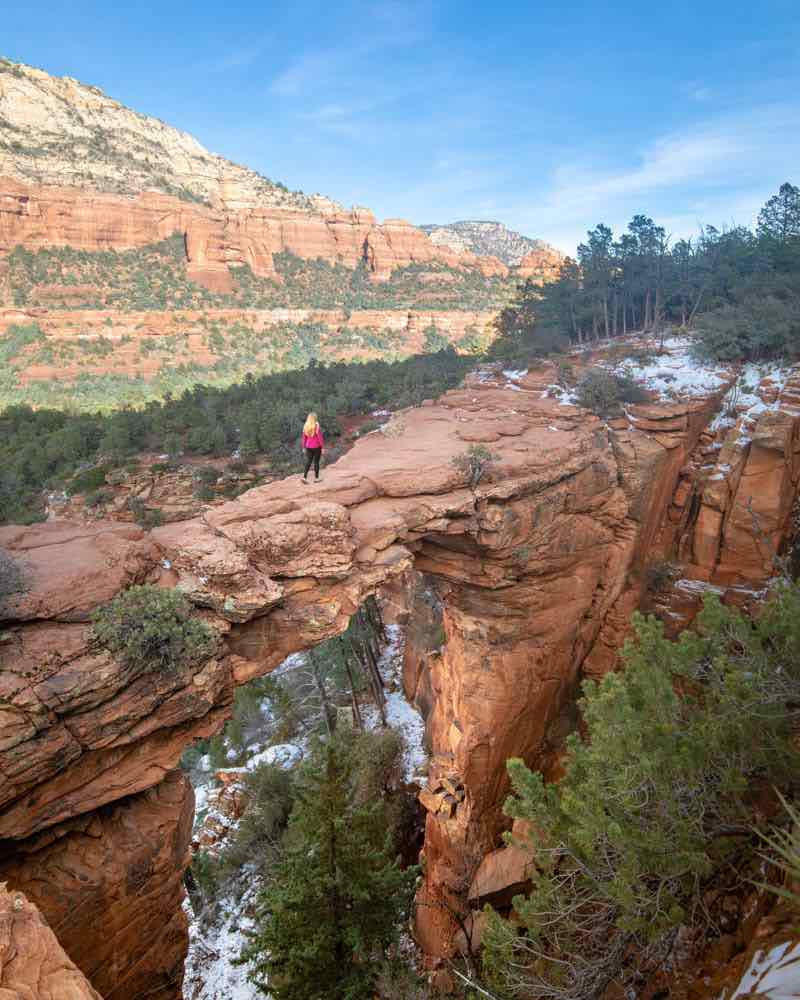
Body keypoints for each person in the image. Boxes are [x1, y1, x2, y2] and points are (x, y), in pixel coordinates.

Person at [301, 412, 324, 483]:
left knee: (308, 461)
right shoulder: (316, 425)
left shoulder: (305, 425)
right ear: (315, 418)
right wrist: (322, 447)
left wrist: (303, 447)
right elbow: (320, 437)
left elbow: (304, 438)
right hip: (317, 446)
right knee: (316, 462)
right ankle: (316, 478)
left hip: (308, 447)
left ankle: (304, 477)